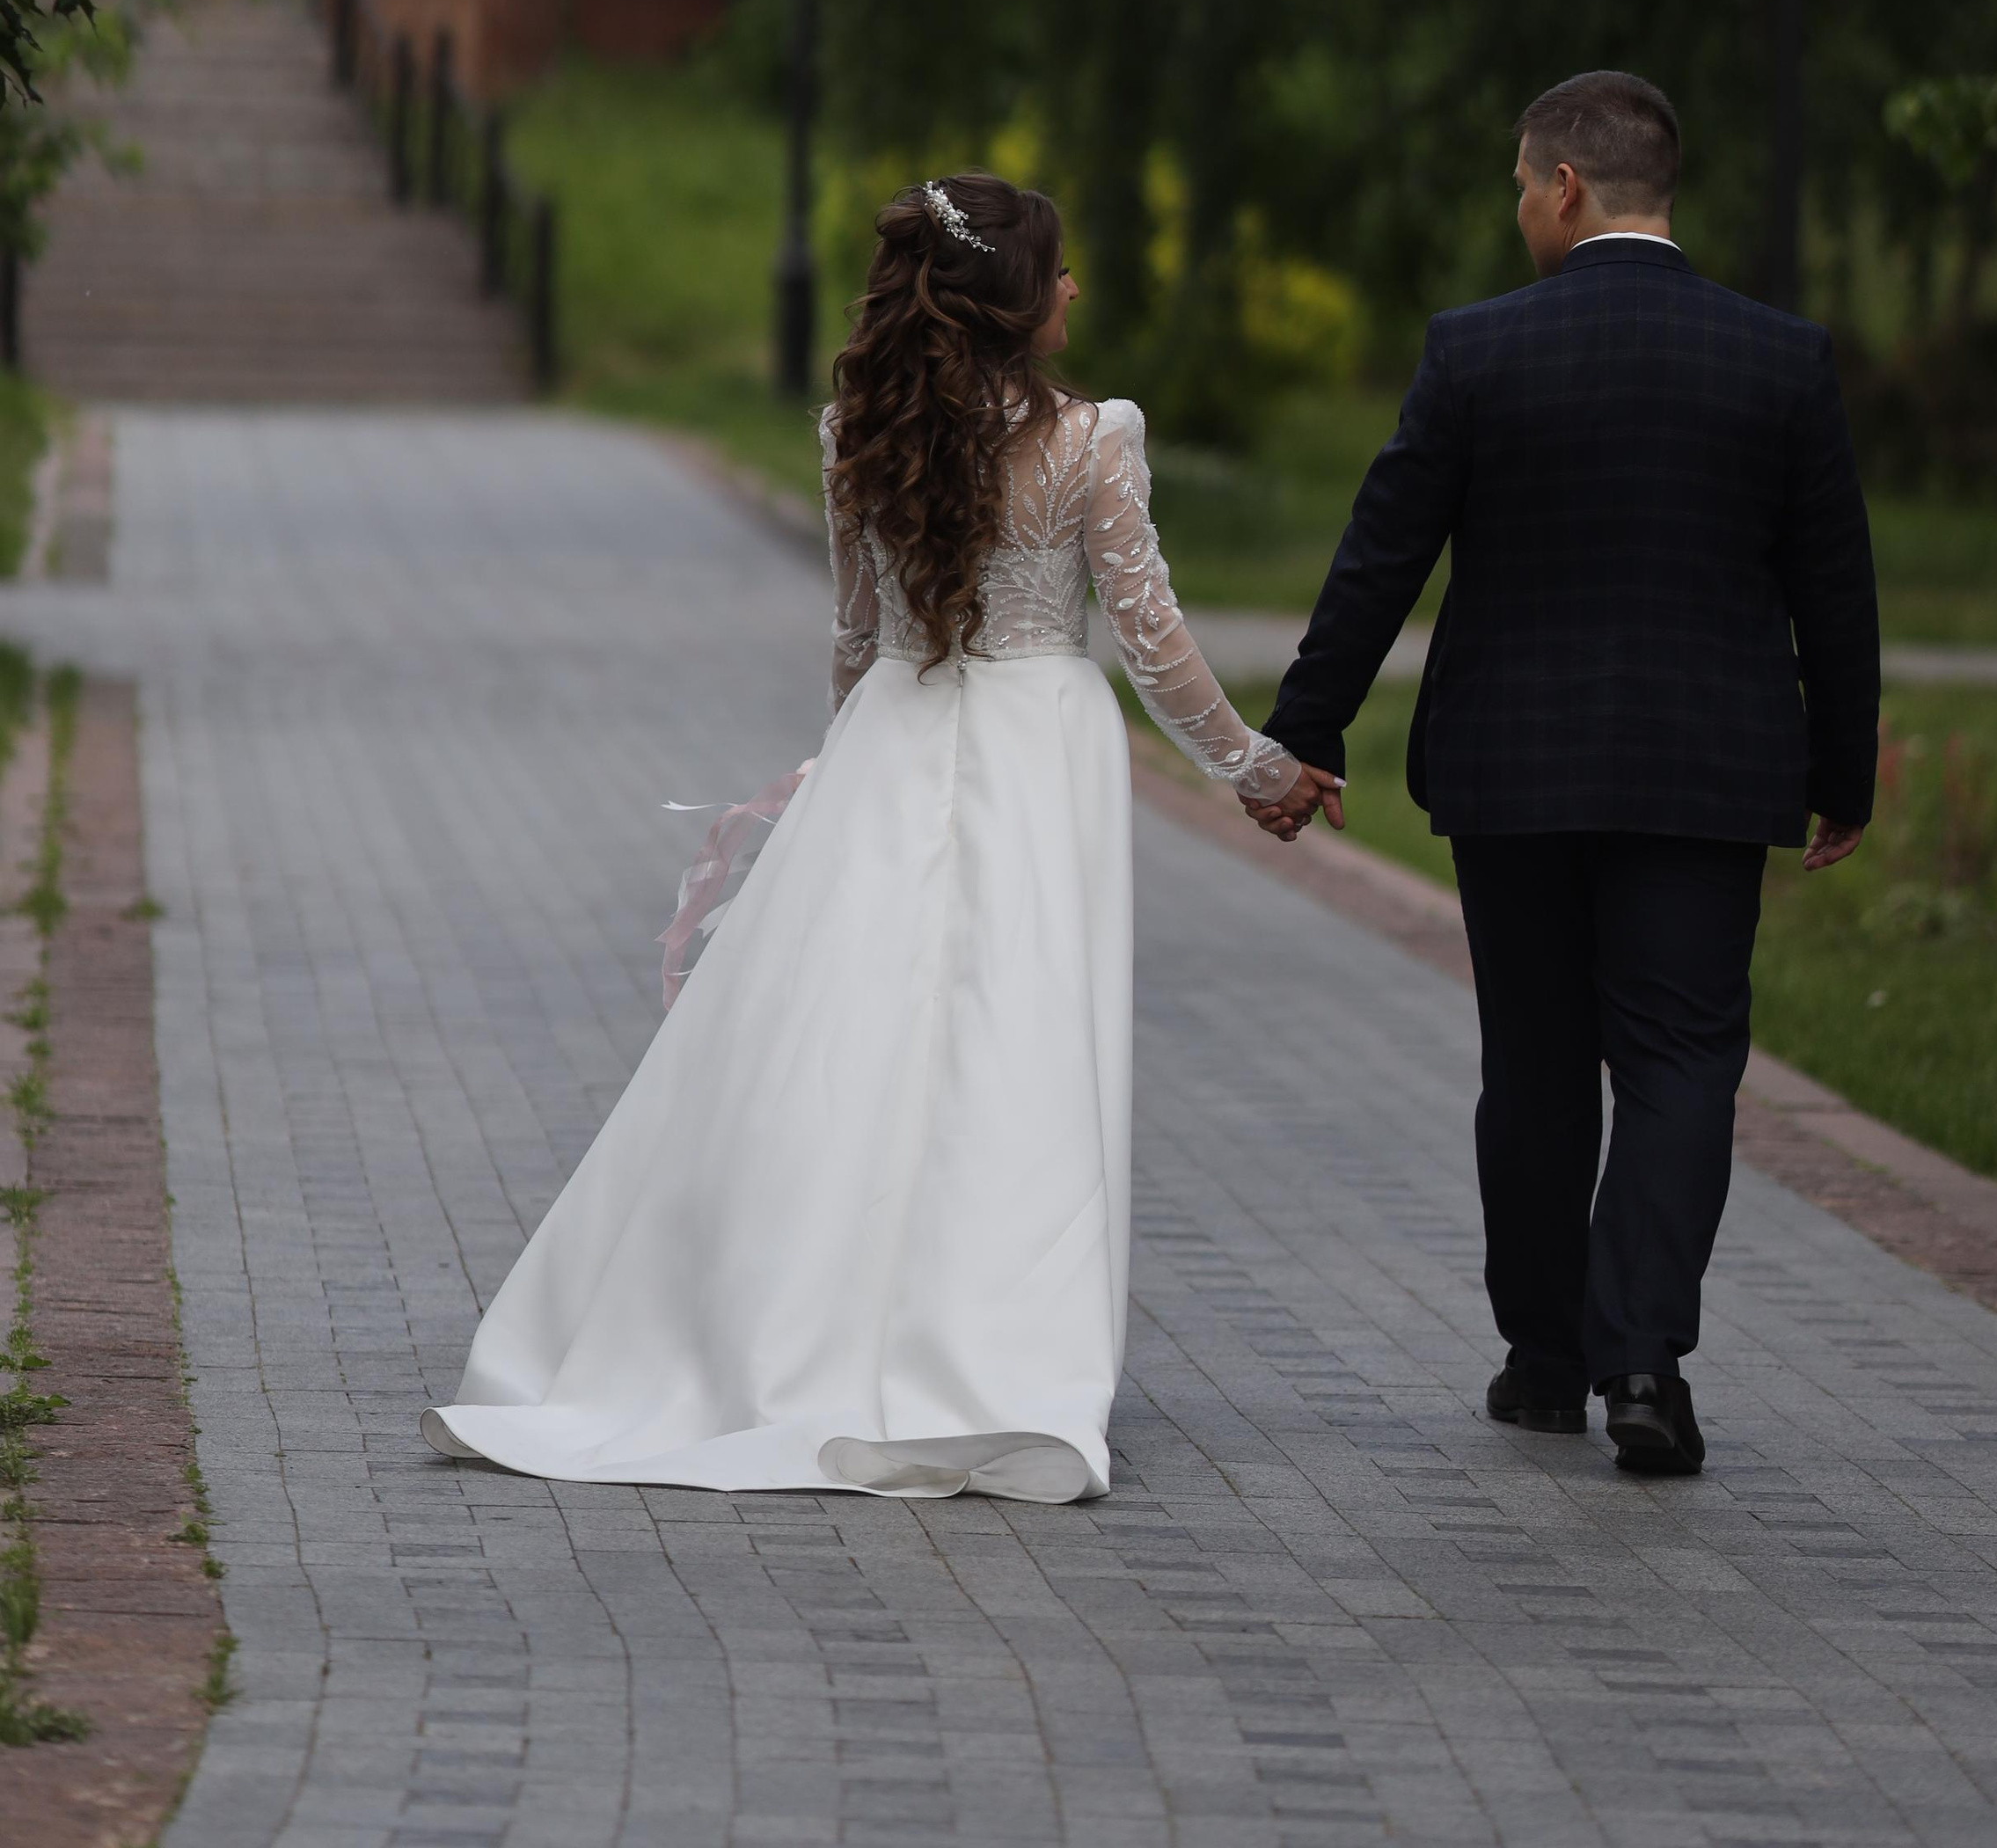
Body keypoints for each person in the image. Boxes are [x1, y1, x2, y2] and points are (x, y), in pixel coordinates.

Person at [423, 171, 1335, 1502]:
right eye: (1058, 270)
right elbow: (1154, 646)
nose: (1074, 287)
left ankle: (793, 1327)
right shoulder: (1091, 442)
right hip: (1039, 750)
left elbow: (857, 638)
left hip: (893, 738)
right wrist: (1258, 770)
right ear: (1013, 301)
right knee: (1016, 1047)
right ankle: (993, 1350)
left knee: (851, 1045)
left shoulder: (862, 427)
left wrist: (841, 773)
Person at [1261, 71, 1879, 1478]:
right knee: (1680, 1062)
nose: (1519, 212)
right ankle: (1644, 1360)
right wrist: (1841, 770)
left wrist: (1308, 730)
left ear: (1563, 188)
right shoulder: (1779, 357)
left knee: (1535, 1064)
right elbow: (1835, 590)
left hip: (1516, 770)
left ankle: (1545, 1364)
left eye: (1518, 189)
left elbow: (1381, 555)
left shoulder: (1477, 349)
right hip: (1707, 776)